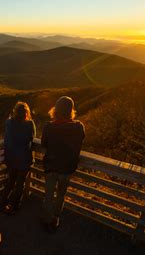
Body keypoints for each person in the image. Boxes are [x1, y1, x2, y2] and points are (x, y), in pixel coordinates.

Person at [41, 96, 85, 232]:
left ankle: (47, 220)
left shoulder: (48, 127)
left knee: (48, 195)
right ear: (71, 110)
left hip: (51, 167)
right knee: (61, 194)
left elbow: (44, 144)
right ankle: (56, 218)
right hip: (67, 169)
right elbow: (80, 141)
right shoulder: (78, 127)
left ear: (56, 110)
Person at [0, 101, 36, 214]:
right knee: (20, 183)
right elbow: (32, 137)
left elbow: (7, 138)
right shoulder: (30, 124)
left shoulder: (9, 123)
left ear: (15, 111)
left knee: (11, 180)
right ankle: (15, 205)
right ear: (26, 113)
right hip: (24, 159)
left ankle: (3, 201)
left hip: (11, 158)